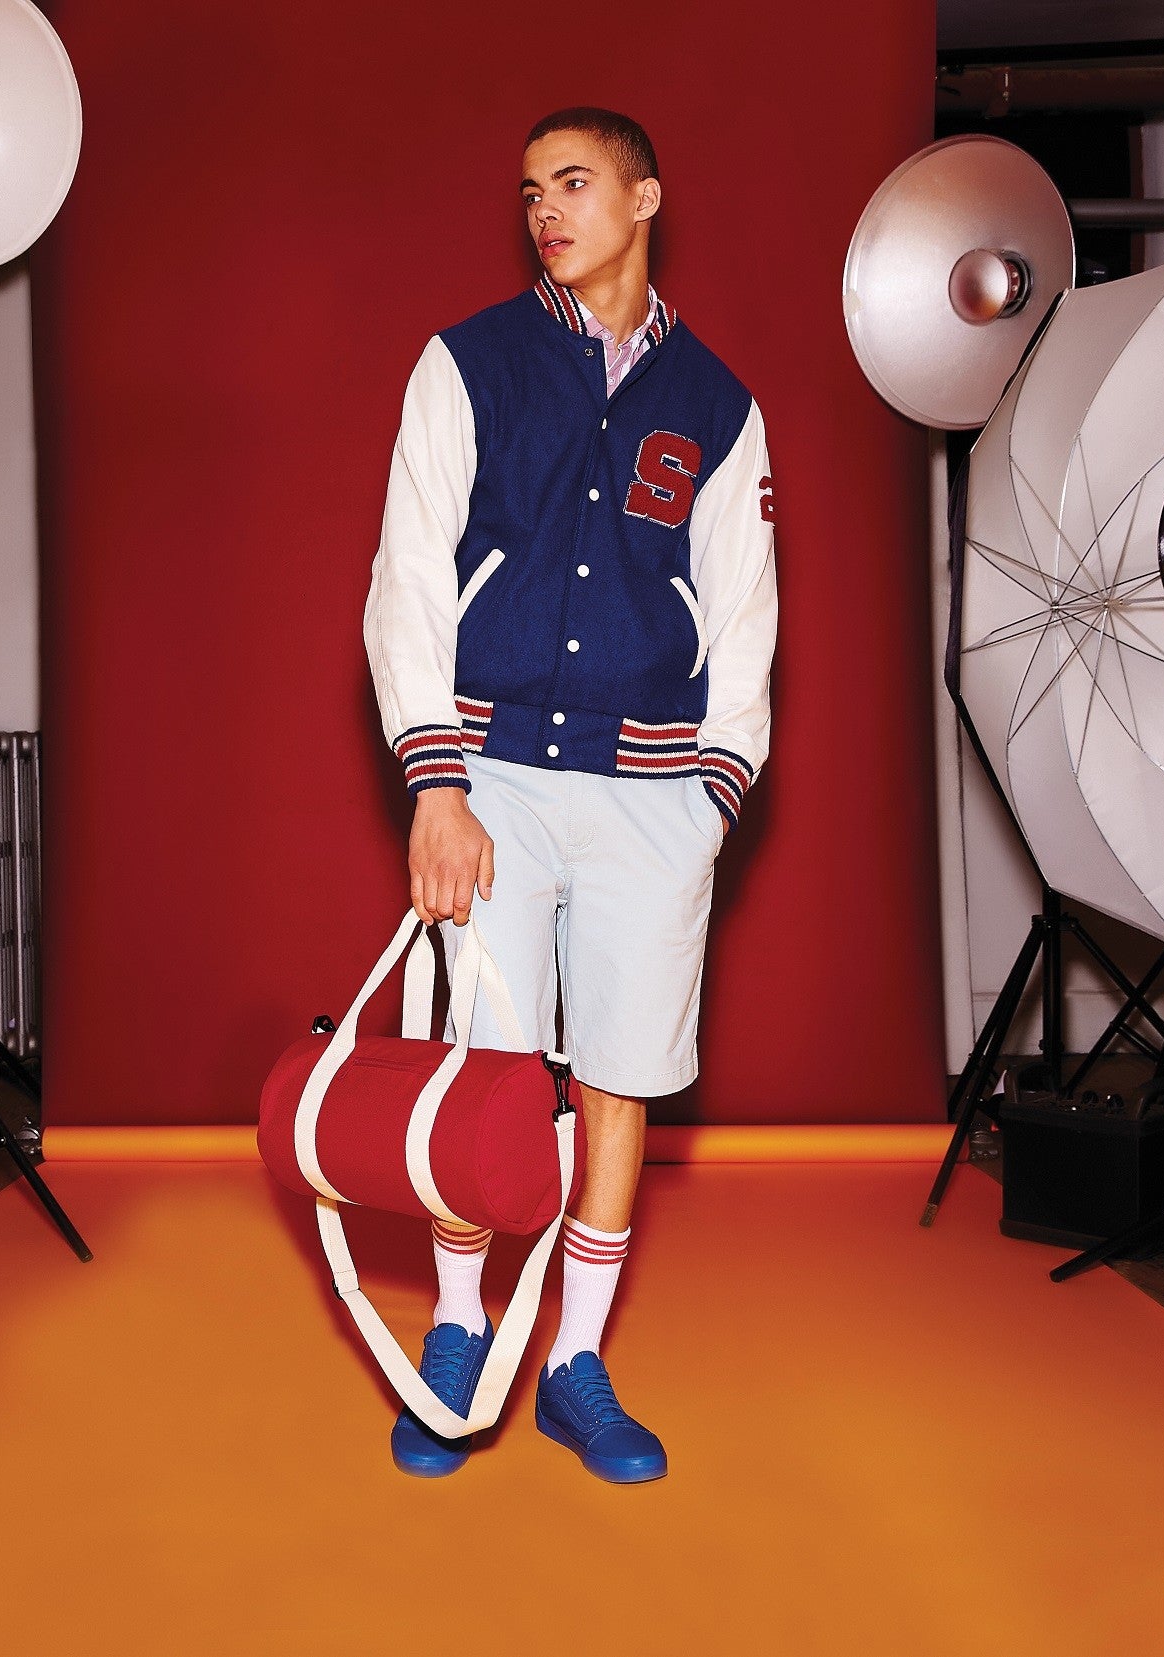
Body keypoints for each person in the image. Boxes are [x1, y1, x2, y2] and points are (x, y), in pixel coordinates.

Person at [363, 106, 776, 1483]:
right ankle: (461, 1328)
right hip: (490, 781)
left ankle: (576, 1363)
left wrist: (712, 796)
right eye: (532, 189)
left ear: (645, 197)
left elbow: (748, 611)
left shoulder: (719, 403)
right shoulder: (467, 362)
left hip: (654, 794)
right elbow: (408, 576)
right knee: (482, 1071)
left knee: (618, 1077)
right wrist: (435, 782)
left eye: (577, 182)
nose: (547, 208)